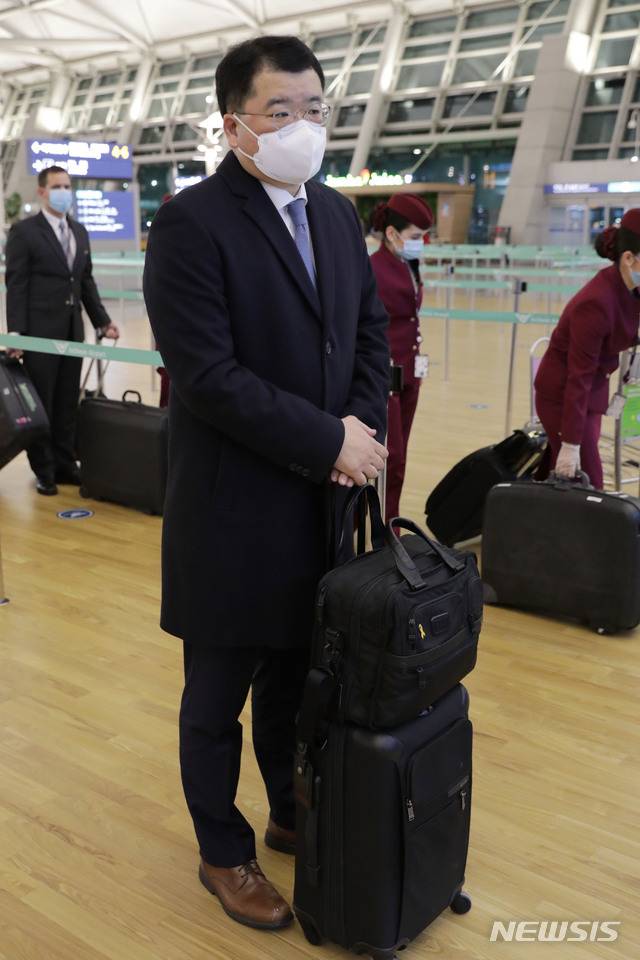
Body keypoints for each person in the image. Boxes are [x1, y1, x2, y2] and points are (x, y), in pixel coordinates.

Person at [143, 36, 390, 933]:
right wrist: (329, 439)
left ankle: (289, 806)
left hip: (319, 503)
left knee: (297, 676)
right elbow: (209, 377)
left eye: (315, 108)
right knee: (218, 695)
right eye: (279, 111)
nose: (302, 127)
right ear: (234, 125)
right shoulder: (193, 223)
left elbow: (368, 336)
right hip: (233, 509)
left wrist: (358, 431)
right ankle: (223, 850)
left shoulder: (335, 215)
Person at [4, 165, 119, 495]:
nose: (64, 192)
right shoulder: (25, 232)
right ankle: (44, 471)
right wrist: (17, 333)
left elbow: (84, 281)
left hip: (72, 331)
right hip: (39, 334)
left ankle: (65, 464)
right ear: (42, 192)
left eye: (67, 186)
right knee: (41, 404)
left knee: (68, 402)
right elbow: (17, 285)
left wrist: (102, 321)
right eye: (58, 186)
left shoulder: (79, 231)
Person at [535, 208, 640, 489]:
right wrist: (571, 443)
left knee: (569, 483)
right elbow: (578, 377)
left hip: (591, 393)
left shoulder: (629, 286)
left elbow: (626, 328)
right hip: (563, 397)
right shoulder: (596, 303)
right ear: (628, 258)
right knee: (588, 483)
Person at [370, 194, 433, 520]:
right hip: (384, 374)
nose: (421, 243)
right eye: (415, 236)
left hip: (410, 372)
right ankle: (383, 526)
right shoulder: (373, 268)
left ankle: (388, 517)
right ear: (392, 233)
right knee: (390, 456)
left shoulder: (409, 264)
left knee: (401, 453)